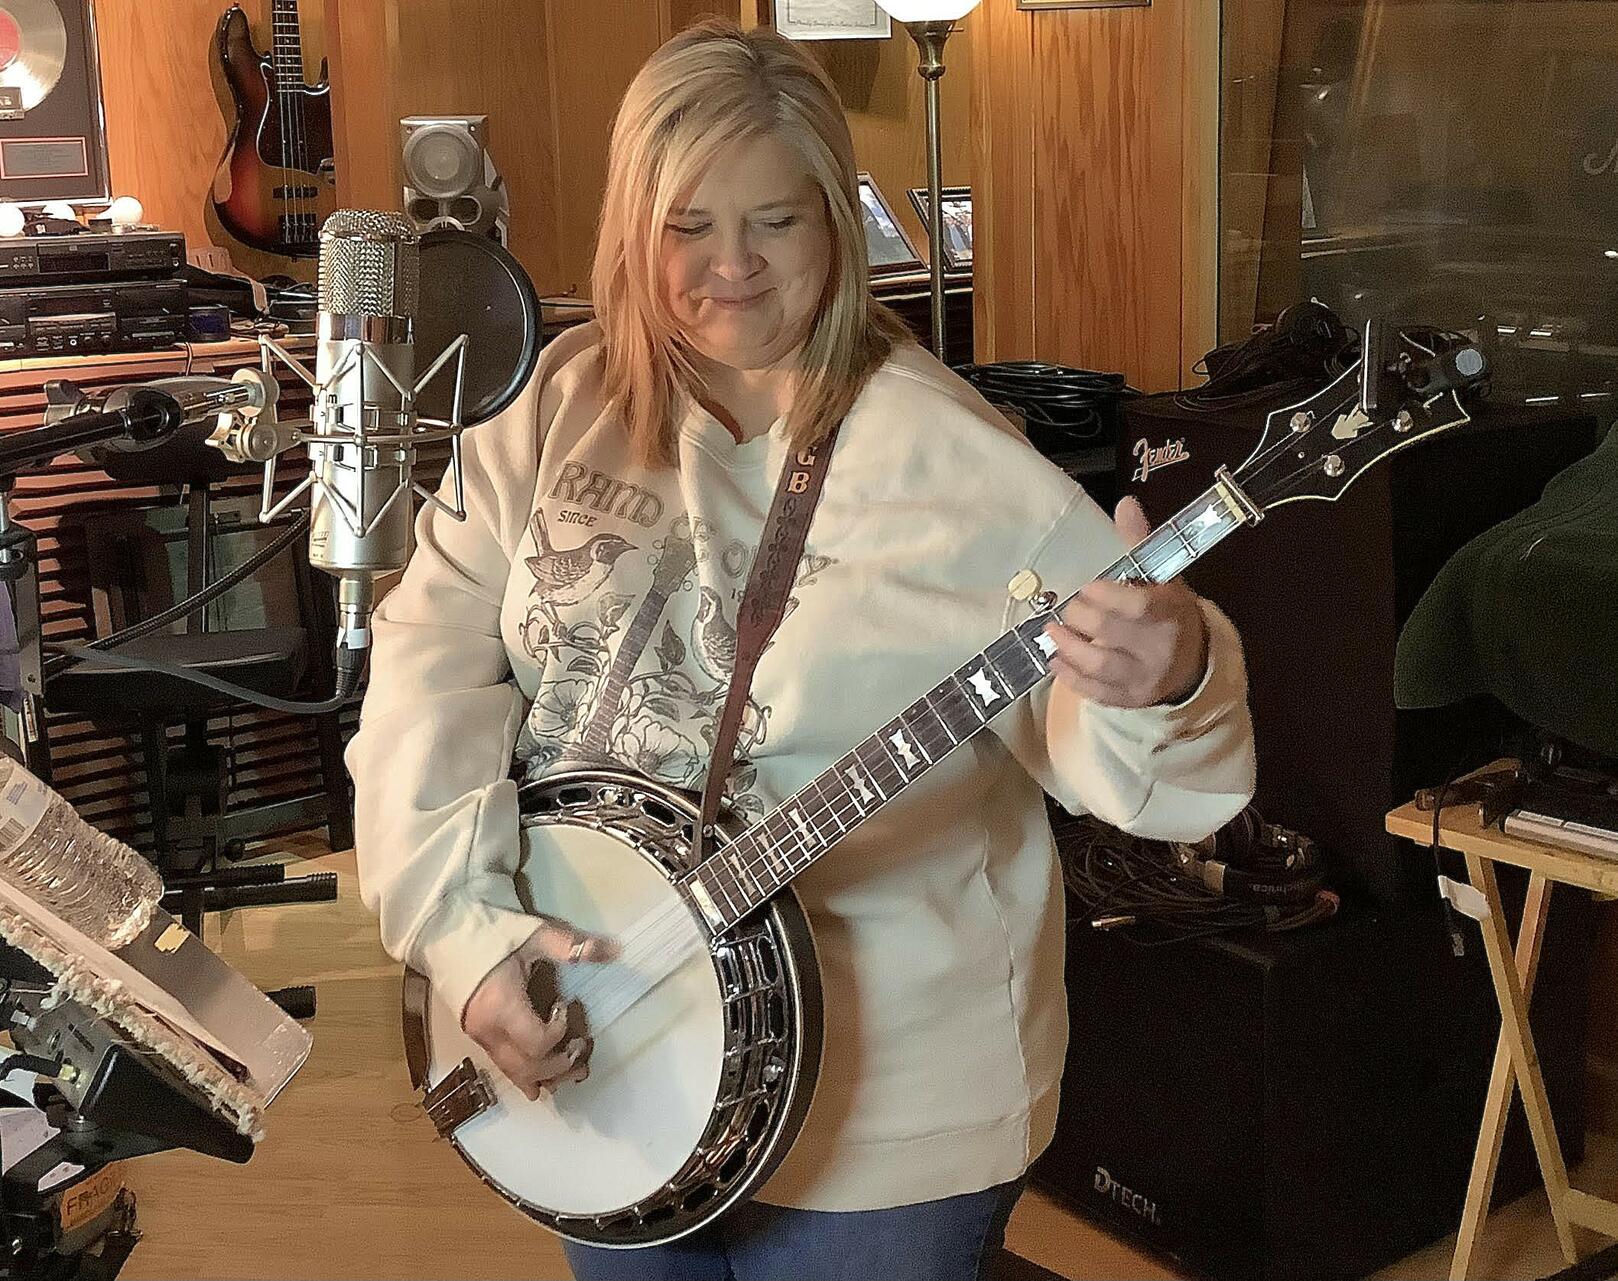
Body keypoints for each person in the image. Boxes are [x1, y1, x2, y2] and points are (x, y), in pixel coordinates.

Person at [346, 18, 1255, 1281]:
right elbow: (428, 672)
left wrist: (1171, 677)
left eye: (775, 221)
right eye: (687, 226)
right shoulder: (556, 408)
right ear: (631, 229)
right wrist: (463, 930)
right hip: (610, 1033)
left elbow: (1137, 776)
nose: (731, 268)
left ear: (836, 219)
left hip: (884, 1114)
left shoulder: (961, 464)